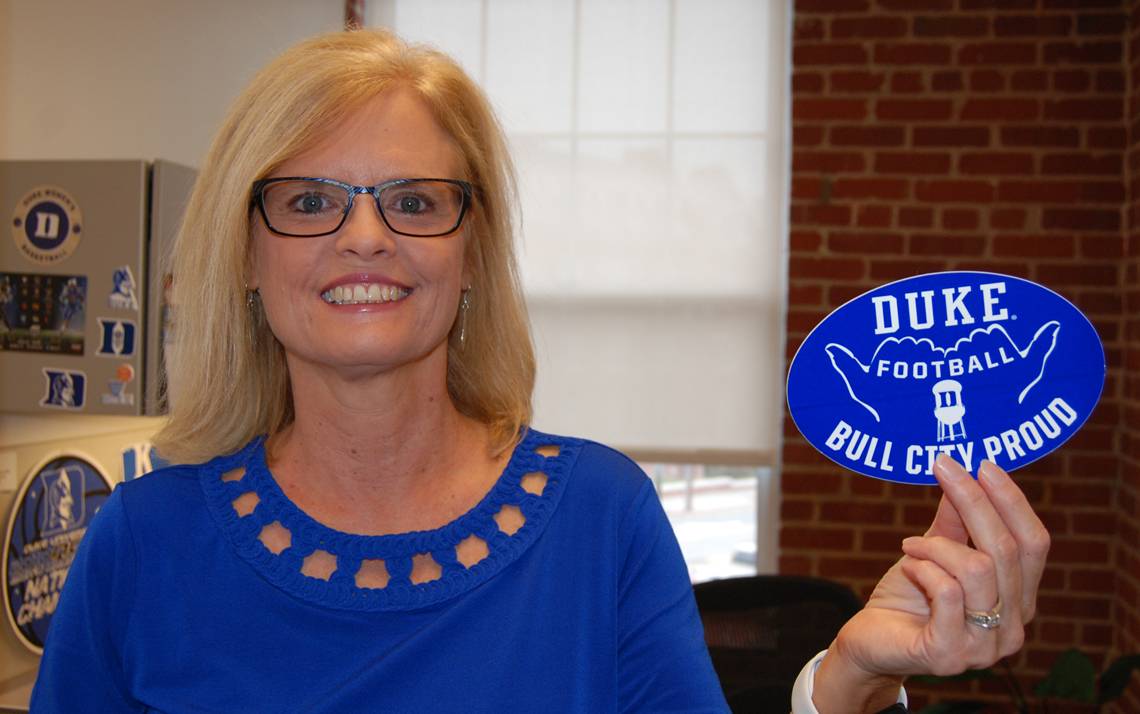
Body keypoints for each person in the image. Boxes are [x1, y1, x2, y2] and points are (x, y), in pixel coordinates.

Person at [31, 29, 1049, 713]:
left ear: (470, 254)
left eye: (416, 200)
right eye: (308, 202)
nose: (367, 236)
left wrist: (850, 678)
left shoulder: (598, 516)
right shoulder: (140, 543)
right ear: (245, 258)